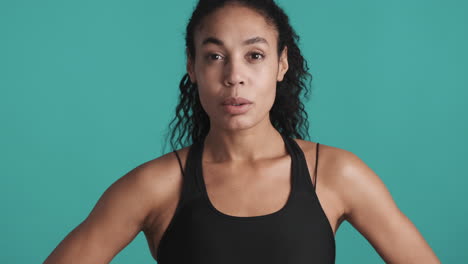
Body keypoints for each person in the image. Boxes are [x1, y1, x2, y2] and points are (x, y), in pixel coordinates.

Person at [44, 0, 440, 263]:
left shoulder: (336, 174)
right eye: (215, 56)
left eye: (254, 55)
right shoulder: (155, 186)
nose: (234, 77)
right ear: (192, 67)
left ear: (281, 64)